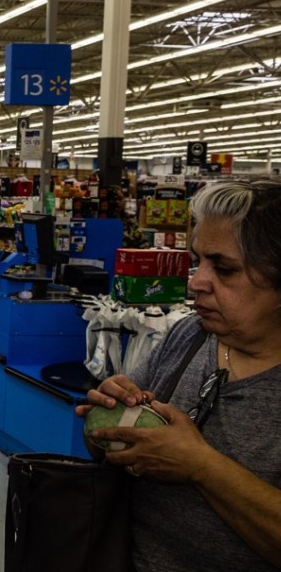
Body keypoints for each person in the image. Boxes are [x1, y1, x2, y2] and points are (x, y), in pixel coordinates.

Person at [75, 177, 281, 572]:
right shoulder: (190, 335)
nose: (196, 282)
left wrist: (202, 465)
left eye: (223, 269)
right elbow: (110, 452)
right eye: (198, 260)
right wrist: (107, 422)